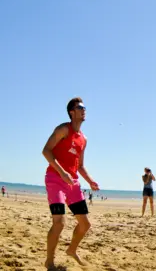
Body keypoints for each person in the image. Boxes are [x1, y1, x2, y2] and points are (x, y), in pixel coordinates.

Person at [42, 97, 99, 269]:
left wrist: (90, 181)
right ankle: (49, 260)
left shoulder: (84, 139)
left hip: (73, 183)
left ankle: (71, 250)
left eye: (85, 107)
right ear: (71, 112)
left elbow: (80, 165)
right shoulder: (63, 130)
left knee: (85, 224)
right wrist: (62, 172)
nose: (84, 110)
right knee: (59, 222)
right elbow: (46, 151)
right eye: (80, 107)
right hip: (55, 179)